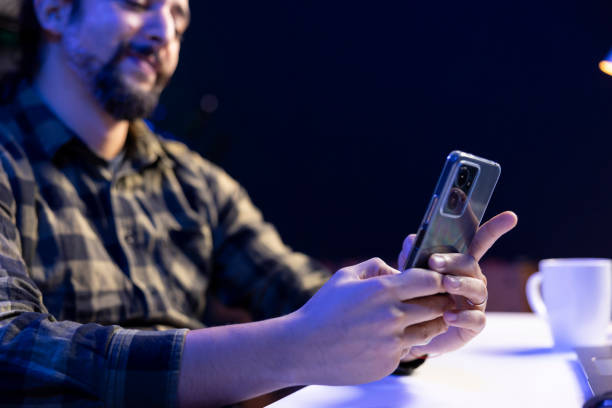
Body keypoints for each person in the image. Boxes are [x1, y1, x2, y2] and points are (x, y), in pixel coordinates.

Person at [0, 0, 518, 406]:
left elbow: (293, 287)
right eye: (138, 3)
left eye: (179, 19)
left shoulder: (193, 181)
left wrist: (409, 321)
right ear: (53, 9)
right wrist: (292, 347)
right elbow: (12, 351)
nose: (164, 33)